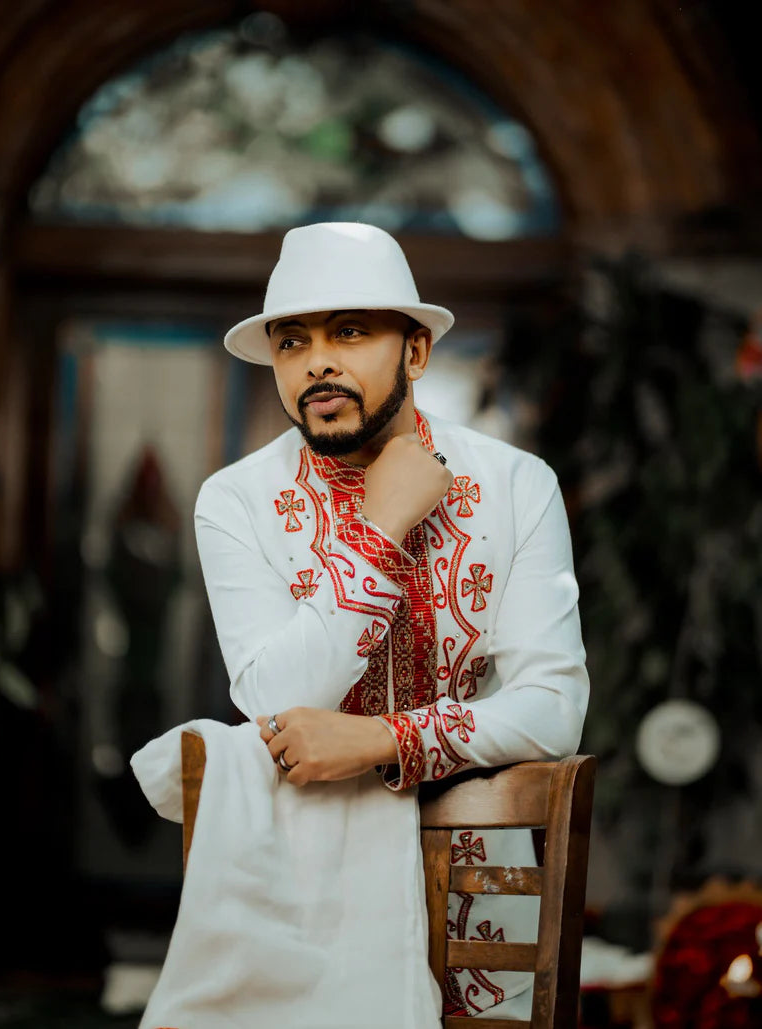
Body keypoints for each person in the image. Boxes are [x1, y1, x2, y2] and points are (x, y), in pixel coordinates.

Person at [193, 221, 590, 1018]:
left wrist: (383, 738)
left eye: (348, 332)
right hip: (295, 893)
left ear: (415, 351)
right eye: (291, 341)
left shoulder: (516, 485)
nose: (317, 362)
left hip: (492, 888)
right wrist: (378, 530)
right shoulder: (234, 499)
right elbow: (275, 697)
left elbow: (553, 709)